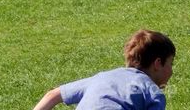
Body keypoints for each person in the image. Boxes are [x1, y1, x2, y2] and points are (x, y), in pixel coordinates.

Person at [31, 29, 175, 110]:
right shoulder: (152, 92)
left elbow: (52, 95)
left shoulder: (102, 77)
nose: (172, 71)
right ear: (157, 63)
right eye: (170, 63)